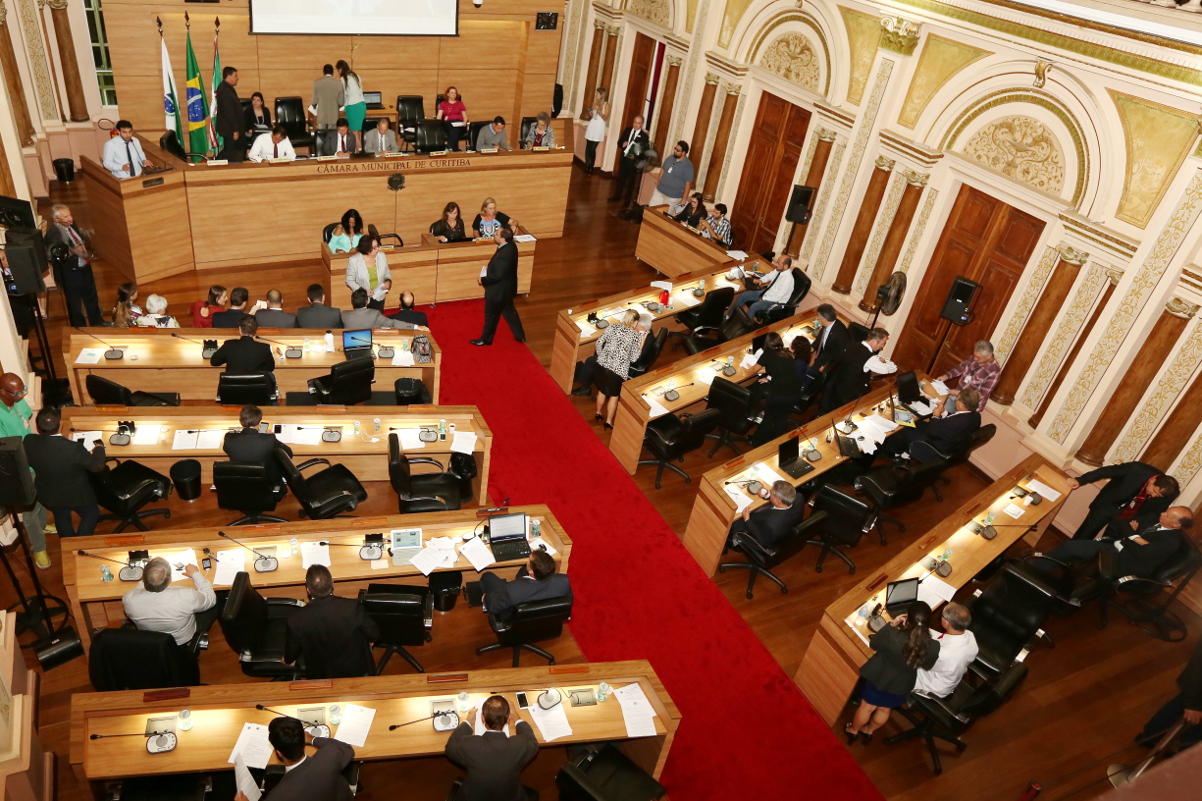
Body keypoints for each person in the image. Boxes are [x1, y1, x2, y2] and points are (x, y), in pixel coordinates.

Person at [846, 600, 940, 744]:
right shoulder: (933, 646)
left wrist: (891, 625)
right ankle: (869, 731)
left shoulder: (893, 634)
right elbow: (927, 665)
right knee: (884, 710)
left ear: (906, 619)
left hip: (879, 676)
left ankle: (853, 730)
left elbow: (874, 644)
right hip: (901, 685)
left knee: (867, 706)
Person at [1041, 506, 1193, 579]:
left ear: (1176, 525)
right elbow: (1122, 524)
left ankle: (1041, 572)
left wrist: (1131, 535)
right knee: (1071, 548)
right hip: (1115, 547)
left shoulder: (1171, 542)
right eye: (1166, 511)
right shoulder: (1154, 517)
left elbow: (1141, 553)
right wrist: (1136, 538)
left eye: (1167, 515)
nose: (1162, 513)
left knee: (1074, 554)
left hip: (1126, 563)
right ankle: (1039, 567)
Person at [23, 407, 106, 538]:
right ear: (61, 423)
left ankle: (68, 542)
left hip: (49, 493)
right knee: (91, 514)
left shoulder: (29, 441)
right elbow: (97, 466)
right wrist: (99, 447)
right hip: (77, 495)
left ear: (38, 427)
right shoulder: (74, 448)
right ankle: (79, 543)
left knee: (61, 515)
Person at [286, 565, 379, 679]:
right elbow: (374, 634)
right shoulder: (352, 607)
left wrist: (287, 660)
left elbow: (292, 652)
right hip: (356, 670)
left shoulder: (296, 618)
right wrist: (371, 640)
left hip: (322, 675)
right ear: (332, 583)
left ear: (308, 590)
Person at [0, 373, 51, 569]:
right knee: (30, 512)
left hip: (35, 457)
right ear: (3, 392)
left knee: (42, 495)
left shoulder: (18, 401)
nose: (22, 395)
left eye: (24, 390)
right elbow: (5, 449)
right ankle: (39, 547)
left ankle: (43, 525)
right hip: (21, 467)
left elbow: (27, 418)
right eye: (18, 392)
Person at [233, 718, 354, 801]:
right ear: (302, 742)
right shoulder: (329, 756)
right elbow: (346, 749)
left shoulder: (278, 796)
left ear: (279, 753)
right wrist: (312, 739)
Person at [445, 696, 538, 801]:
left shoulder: (470, 745)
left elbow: (450, 747)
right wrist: (516, 716)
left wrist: (467, 722)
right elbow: (533, 743)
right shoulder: (519, 745)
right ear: (508, 719)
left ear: (483, 718)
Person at [1068, 462, 1179, 541]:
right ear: (1153, 480)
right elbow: (1106, 471)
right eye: (1154, 491)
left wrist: (1139, 523)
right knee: (1084, 535)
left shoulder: (1171, 493)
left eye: (1158, 496)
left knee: (1107, 544)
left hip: (1128, 518)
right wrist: (1080, 480)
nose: (1153, 496)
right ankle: (1066, 558)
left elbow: (1156, 513)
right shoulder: (1136, 469)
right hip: (1108, 504)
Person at [121, 557, 216, 646]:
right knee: (218, 599)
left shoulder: (129, 599)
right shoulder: (185, 596)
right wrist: (196, 574)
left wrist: (149, 577)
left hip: (151, 640)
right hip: (182, 640)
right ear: (170, 579)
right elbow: (211, 598)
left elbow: (140, 589)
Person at [44, 204, 107, 327]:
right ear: (56, 219)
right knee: (75, 304)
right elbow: (52, 256)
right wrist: (73, 251)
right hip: (70, 274)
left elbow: (78, 238)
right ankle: (79, 328)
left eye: (70, 214)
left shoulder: (72, 224)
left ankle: (97, 322)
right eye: (66, 216)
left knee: (91, 296)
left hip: (84, 266)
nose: (70, 218)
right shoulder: (54, 234)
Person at [882, 387, 982, 461]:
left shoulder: (954, 423)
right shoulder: (976, 416)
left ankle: (893, 454)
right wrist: (944, 413)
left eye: (958, 399)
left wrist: (936, 416)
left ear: (963, 404)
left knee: (903, 427)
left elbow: (932, 432)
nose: (956, 399)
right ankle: (901, 451)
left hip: (932, 447)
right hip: (946, 440)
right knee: (915, 422)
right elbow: (954, 420)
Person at [1138, 635, 1202, 751]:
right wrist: (1191, 703)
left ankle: (1150, 737)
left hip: (1196, 688)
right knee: (1181, 706)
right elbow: (1198, 667)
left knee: (1180, 704)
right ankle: (1182, 753)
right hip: (1196, 687)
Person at [479, 548, 571, 624]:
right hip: (543, 621)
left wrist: (487, 598)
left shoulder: (513, 590)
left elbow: (494, 607)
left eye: (528, 562)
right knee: (523, 571)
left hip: (514, 621)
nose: (527, 562)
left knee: (487, 576)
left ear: (531, 572)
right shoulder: (564, 581)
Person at [820, 327, 896, 414]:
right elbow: (890, 369)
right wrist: (884, 361)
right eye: (883, 344)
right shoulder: (870, 358)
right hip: (849, 396)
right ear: (874, 341)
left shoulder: (852, 345)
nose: (882, 346)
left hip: (836, 388)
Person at [471, 227, 525, 347]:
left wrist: (482, 279)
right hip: (508, 289)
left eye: (496, 234)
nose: (494, 235)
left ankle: (486, 339)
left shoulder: (504, 254)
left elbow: (497, 276)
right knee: (510, 313)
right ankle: (520, 335)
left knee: (491, 317)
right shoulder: (511, 246)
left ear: (503, 238)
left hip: (498, 292)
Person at [591, 309, 645, 428]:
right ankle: (609, 422)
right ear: (635, 322)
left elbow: (599, 342)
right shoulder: (635, 336)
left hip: (602, 365)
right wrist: (641, 344)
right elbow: (634, 358)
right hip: (617, 371)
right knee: (614, 396)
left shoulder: (612, 327)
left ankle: (598, 413)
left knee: (602, 390)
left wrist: (601, 356)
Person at [914, 603, 978, 698]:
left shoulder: (942, 654)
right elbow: (942, 639)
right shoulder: (970, 635)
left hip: (933, 687)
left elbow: (921, 662)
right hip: (950, 674)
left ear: (946, 622)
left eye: (942, 616)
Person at [750, 332, 803, 445]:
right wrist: (768, 376)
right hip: (795, 393)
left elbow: (752, 370)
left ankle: (757, 442)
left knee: (769, 416)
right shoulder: (787, 353)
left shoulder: (768, 355)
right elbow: (780, 370)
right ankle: (775, 443)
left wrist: (744, 371)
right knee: (781, 417)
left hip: (780, 394)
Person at [223, 404, 292, 488]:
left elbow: (226, 449)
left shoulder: (229, 438)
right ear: (259, 423)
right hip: (267, 484)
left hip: (241, 484)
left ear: (241, 421)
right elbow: (288, 453)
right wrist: (273, 437)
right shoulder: (269, 439)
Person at [727, 481, 804, 549]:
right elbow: (780, 500)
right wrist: (767, 495)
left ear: (777, 501)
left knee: (731, 520)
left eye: (771, 492)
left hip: (762, 532)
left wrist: (747, 520)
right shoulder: (798, 497)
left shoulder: (772, 524)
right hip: (780, 525)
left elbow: (763, 541)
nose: (769, 492)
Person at [936, 341, 1002, 411]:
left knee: (954, 421)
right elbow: (961, 367)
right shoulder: (973, 358)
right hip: (955, 398)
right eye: (975, 355)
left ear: (989, 356)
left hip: (968, 407)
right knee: (942, 414)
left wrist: (959, 393)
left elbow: (980, 395)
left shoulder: (994, 372)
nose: (975, 358)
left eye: (978, 357)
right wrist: (946, 376)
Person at [728, 255, 794, 321]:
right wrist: (761, 280)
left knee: (754, 306)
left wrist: (763, 298)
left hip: (775, 302)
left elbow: (778, 297)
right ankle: (728, 317)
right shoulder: (779, 270)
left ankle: (743, 327)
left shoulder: (788, 280)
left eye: (778, 263)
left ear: (785, 266)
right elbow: (769, 276)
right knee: (744, 295)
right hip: (767, 293)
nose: (776, 265)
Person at [210, 315, 275, 374]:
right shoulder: (264, 348)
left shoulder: (229, 344)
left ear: (240, 329)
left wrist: (228, 358)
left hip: (232, 386)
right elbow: (270, 368)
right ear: (255, 330)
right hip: (255, 386)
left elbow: (214, 362)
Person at [609, 115, 650, 204]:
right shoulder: (627, 130)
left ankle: (627, 201)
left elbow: (645, 153)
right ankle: (617, 196)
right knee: (620, 179)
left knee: (631, 182)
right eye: (635, 122)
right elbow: (619, 142)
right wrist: (623, 144)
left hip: (633, 162)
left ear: (642, 124)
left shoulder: (644, 137)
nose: (636, 125)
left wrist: (635, 156)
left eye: (638, 123)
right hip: (624, 159)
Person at [345, 234, 392, 311]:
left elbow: (387, 272)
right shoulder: (354, 260)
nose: (377, 249)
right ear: (366, 249)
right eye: (374, 247)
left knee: (378, 320)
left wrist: (388, 282)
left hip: (379, 297)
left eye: (377, 246)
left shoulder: (382, 256)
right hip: (363, 299)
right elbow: (349, 280)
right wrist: (363, 291)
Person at [649, 141, 694, 209]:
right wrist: (658, 181)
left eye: (678, 150)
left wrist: (684, 199)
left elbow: (688, 184)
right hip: (659, 191)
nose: (675, 151)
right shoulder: (670, 158)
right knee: (651, 210)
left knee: (663, 216)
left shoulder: (688, 166)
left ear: (684, 153)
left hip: (672, 197)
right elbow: (663, 170)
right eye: (675, 149)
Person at [342, 288, 414, 330]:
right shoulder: (374, 314)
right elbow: (393, 323)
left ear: (352, 302)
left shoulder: (343, 315)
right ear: (367, 302)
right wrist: (415, 326)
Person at [214, 66, 244, 162]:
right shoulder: (224, 89)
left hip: (232, 127)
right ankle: (217, 163)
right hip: (229, 128)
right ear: (229, 76)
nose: (237, 78)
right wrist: (235, 130)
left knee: (235, 150)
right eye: (235, 75)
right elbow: (229, 112)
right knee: (231, 151)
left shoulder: (228, 88)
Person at [812, 303, 850, 372]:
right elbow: (818, 342)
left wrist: (826, 367)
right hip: (821, 357)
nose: (818, 319)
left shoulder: (840, 334)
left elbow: (840, 356)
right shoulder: (826, 325)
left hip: (829, 365)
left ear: (825, 319)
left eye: (819, 317)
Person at [311, 64, 345, 135]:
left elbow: (314, 102)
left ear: (323, 72)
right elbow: (341, 102)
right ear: (333, 73)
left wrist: (314, 107)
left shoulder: (316, 83)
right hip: (334, 115)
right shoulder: (339, 84)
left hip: (322, 115)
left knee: (322, 136)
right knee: (332, 137)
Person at [583, 87, 609, 174]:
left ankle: (591, 166)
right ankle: (586, 165)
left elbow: (605, 118)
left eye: (597, 94)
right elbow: (593, 116)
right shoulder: (594, 103)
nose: (595, 95)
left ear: (601, 95)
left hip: (599, 127)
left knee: (593, 148)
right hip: (592, 125)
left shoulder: (606, 105)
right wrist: (591, 112)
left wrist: (599, 110)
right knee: (588, 146)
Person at [336, 59, 366, 135]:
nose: (338, 73)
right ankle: (359, 147)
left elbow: (344, 96)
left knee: (354, 133)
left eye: (338, 70)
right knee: (358, 133)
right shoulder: (357, 76)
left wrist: (342, 107)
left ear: (341, 69)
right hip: (361, 105)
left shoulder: (343, 79)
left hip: (352, 106)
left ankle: (359, 147)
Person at [436, 86, 468, 151]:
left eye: (455, 93)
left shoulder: (460, 104)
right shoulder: (443, 104)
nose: (453, 94)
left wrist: (465, 122)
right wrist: (438, 124)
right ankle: (455, 149)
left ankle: (449, 147)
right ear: (448, 94)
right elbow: (439, 116)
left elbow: (465, 117)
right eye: (451, 93)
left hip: (460, 123)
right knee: (454, 130)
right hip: (448, 123)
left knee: (455, 130)